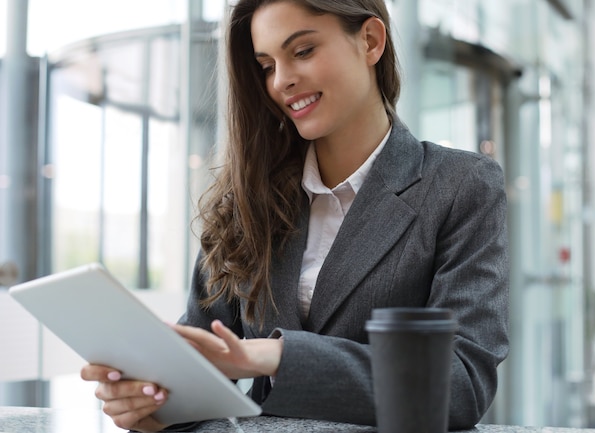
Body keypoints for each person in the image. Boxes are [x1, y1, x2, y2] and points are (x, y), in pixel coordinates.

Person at [81, 0, 509, 431]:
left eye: (302, 51)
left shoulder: (460, 185)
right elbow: (203, 366)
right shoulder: (248, 196)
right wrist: (151, 401)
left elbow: (460, 385)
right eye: (266, 65)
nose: (281, 81)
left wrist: (275, 357)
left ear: (371, 41)